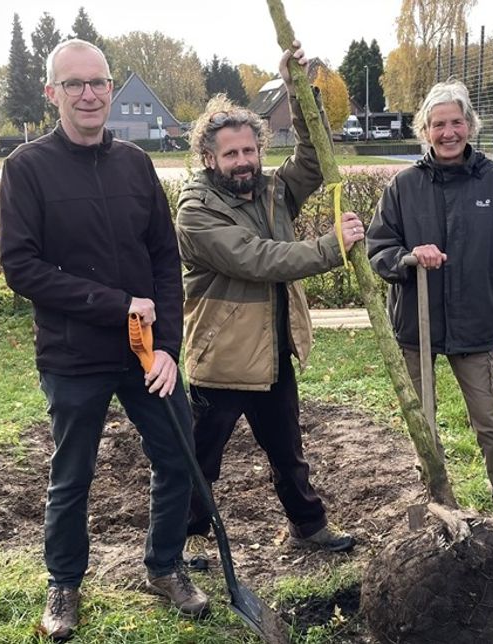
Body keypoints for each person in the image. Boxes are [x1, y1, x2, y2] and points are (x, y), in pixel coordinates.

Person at [0, 39, 209, 640]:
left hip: (147, 352)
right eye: (75, 84)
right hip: (73, 355)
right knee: (73, 475)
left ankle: (164, 567)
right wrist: (118, 308)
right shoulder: (27, 168)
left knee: (178, 459)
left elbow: (166, 261)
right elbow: (22, 268)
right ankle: (64, 584)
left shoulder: (136, 164)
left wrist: (165, 343)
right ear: (52, 93)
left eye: (99, 83)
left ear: (111, 89)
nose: (89, 94)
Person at [175, 41, 360, 568]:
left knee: (288, 453)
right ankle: (181, 541)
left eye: (249, 150)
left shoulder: (275, 192)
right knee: (199, 461)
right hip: (222, 360)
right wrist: (330, 248)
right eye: (230, 154)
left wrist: (299, 91)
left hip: (273, 353)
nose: (242, 161)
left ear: (260, 149)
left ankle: (310, 527)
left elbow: (314, 156)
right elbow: (257, 259)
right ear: (208, 158)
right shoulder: (196, 210)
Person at [366, 80, 493, 516]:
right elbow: (377, 250)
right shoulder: (403, 185)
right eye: (438, 124)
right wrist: (407, 258)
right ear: (425, 130)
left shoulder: (492, 182)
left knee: (491, 421)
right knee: (423, 423)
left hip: (476, 321)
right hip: (416, 325)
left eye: (456, 122)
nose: (448, 132)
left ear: (469, 125)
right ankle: (439, 499)